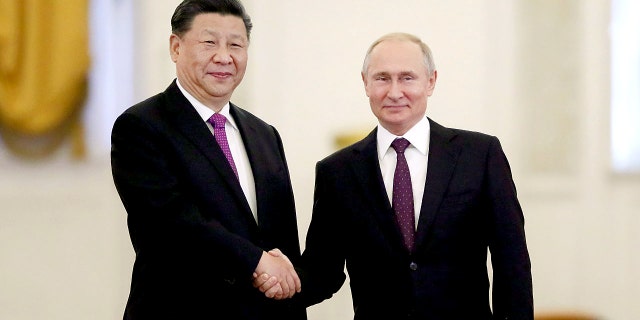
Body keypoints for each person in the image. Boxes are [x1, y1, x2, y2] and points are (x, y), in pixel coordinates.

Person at [256, 32, 534, 319]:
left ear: (431, 81)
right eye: (382, 78)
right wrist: (280, 279)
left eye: (407, 78)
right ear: (365, 82)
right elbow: (323, 272)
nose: (394, 91)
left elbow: (511, 262)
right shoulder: (336, 172)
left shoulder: (480, 154)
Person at [110, 1, 306, 319]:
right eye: (209, 42)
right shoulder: (141, 126)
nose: (224, 57)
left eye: (236, 45)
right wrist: (256, 261)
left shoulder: (264, 134)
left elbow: (283, 243)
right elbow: (172, 224)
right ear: (176, 47)